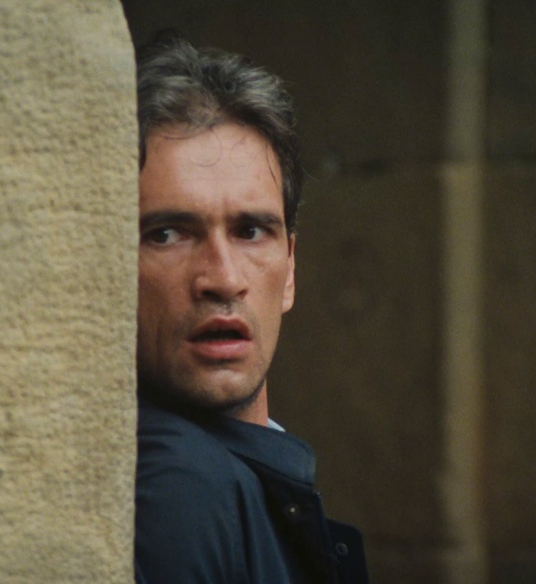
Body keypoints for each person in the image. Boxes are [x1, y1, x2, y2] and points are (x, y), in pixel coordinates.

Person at [133, 34, 369, 584]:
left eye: (251, 231)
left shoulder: (240, 479)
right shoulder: (176, 488)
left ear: (290, 268)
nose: (223, 278)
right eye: (167, 233)